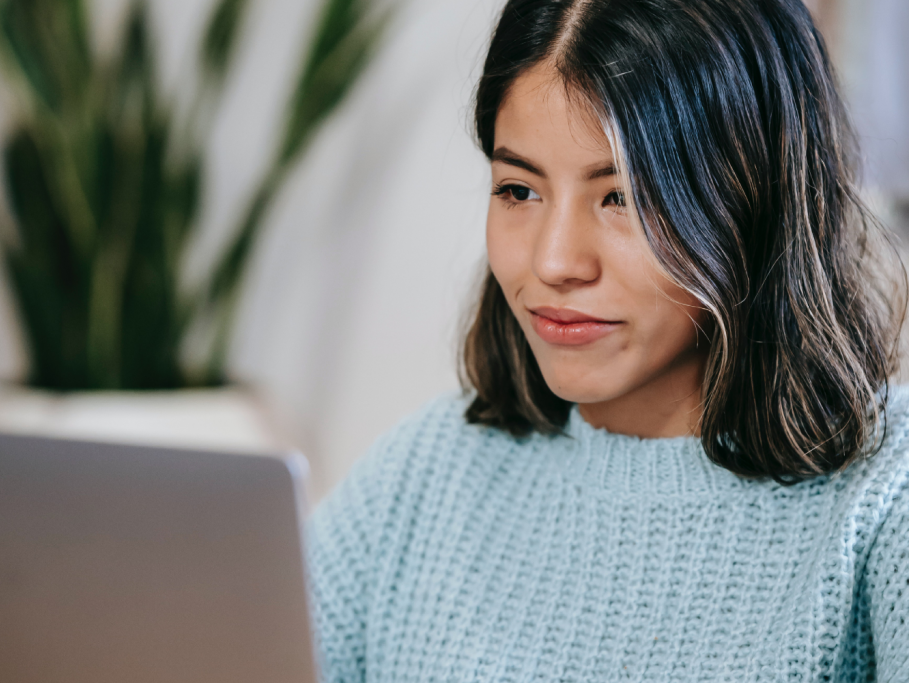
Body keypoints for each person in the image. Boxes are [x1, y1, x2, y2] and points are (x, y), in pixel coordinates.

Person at [305, 0, 909, 680]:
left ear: (754, 198)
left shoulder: (886, 496)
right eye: (518, 190)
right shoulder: (420, 475)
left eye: (621, 197)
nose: (554, 261)